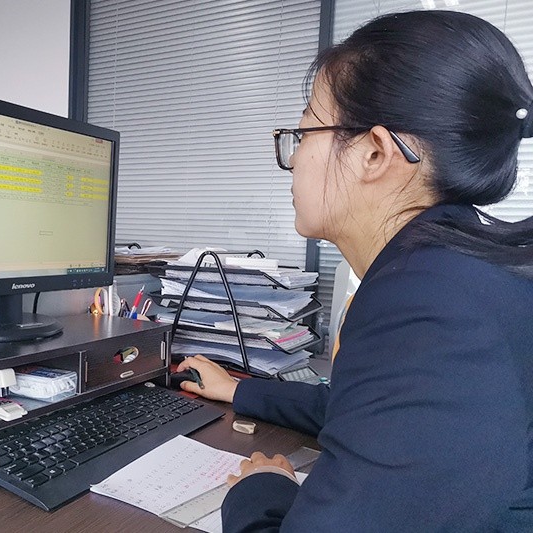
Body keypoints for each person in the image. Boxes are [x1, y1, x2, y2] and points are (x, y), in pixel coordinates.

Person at [177, 10, 533, 531]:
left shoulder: (429, 305)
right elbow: (378, 411)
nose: (294, 160)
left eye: (303, 134)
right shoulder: (457, 267)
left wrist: (260, 489)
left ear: (373, 153)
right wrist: (239, 391)